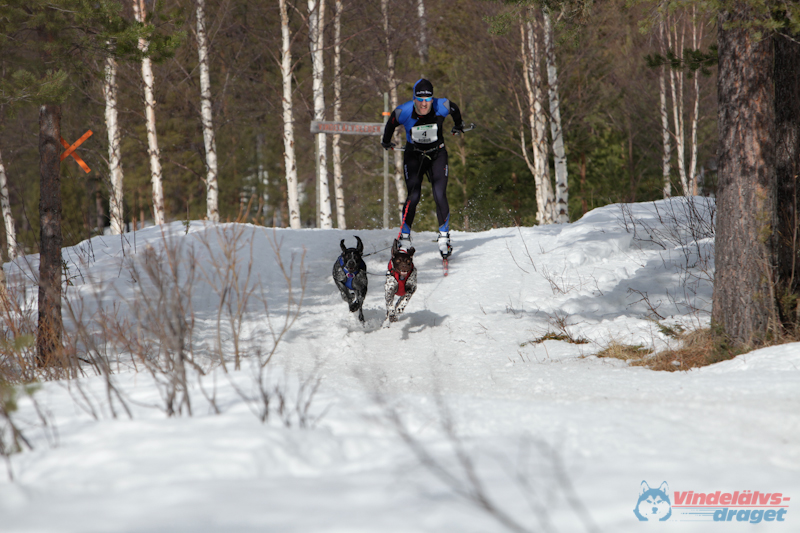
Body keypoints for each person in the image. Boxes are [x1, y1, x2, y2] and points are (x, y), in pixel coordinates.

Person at [381, 78, 466, 258]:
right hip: (414, 156)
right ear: (414, 98)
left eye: (428, 98)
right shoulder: (403, 111)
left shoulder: (441, 105)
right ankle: (404, 238)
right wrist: (386, 141)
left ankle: (444, 237)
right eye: (420, 99)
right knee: (413, 195)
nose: (424, 103)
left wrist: (458, 125)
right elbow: (390, 124)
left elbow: (455, 109)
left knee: (439, 193)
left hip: (437, 154)